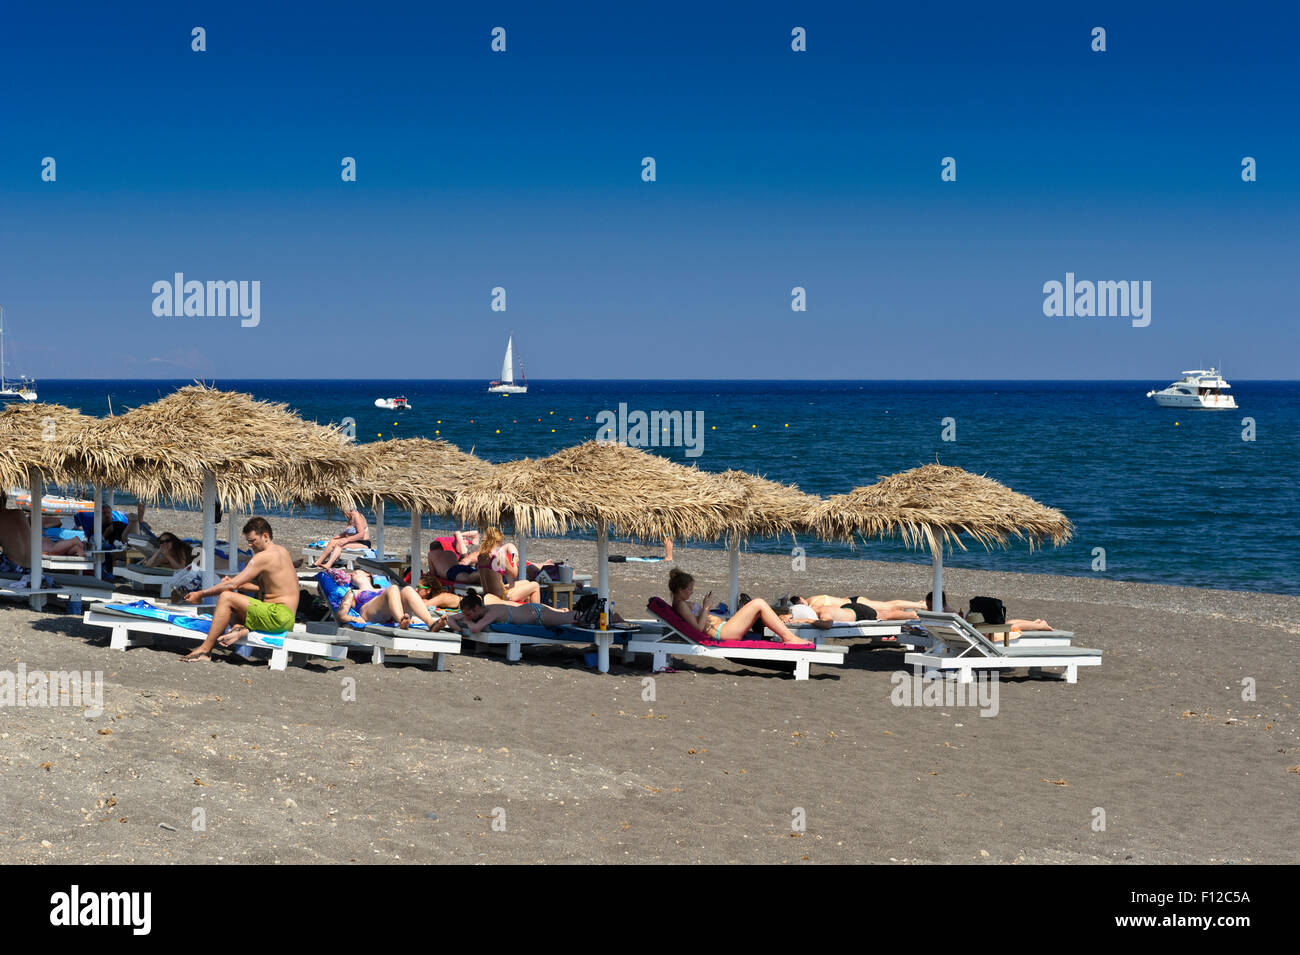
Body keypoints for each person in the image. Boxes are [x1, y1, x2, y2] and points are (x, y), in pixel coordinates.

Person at [179, 517, 299, 662]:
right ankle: (238, 629)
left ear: (265, 536)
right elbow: (263, 586)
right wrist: (236, 584)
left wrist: (201, 593)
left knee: (226, 597)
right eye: (248, 541)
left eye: (252, 540)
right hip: (286, 617)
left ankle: (205, 650)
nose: (249, 545)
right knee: (232, 604)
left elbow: (231, 586)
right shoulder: (282, 551)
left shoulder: (263, 557)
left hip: (277, 615)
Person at [668, 569, 811, 645]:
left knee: (758, 607)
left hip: (724, 628)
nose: (692, 591)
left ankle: (787, 636)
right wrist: (705, 607)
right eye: (689, 589)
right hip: (722, 633)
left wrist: (706, 608)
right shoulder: (680, 605)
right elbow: (698, 629)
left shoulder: (680, 604)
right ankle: (789, 637)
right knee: (759, 603)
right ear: (680, 590)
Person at [445, 590, 622, 634]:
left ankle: (613, 617)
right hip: (529, 612)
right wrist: (460, 625)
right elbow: (451, 618)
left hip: (538, 615)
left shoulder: (491, 613)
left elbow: (475, 628)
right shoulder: (479, 612)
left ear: (476, 608)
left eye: (468, 614)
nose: (466, 617)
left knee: (575, 618)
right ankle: (607, 615)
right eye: (466, 615)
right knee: (575, 617)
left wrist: (464, 625)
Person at [336, 570, 442, 630]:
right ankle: (401, 620)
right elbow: (340, 615)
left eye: (356, 573)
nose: (352, 575)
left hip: (390, 613)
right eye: (352, 574)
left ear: (368, 575)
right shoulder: (353, 592)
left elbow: (398, 599)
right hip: (369, 612)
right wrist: (354, 619)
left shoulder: (382, 589)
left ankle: (431, 623)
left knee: (408, 589)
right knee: (394, 588)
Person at [923, 592, 1053, 631]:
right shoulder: (945, 611)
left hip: (979, 630)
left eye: (930, 606)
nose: (928, 609)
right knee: (1008, 624)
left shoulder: (943, 613)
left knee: (1011, 626)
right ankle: (1035, 623)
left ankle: (1040, 625)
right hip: (976, 627)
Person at [798, 593, 925, 622]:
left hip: (854, 604)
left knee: (888, 606)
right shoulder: (812, 598)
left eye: (802, 605)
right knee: (887, 608)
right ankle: (915, 607)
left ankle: (919, 605)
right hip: (852, 602)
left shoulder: (814, 605)